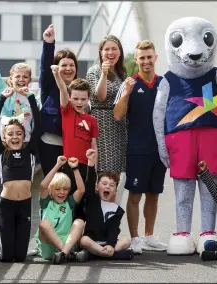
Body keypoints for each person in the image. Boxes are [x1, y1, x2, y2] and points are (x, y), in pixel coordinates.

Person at [0, 26, 38, 257]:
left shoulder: (31, 99)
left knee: (24, 194)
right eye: (17, 76)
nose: (20, 80)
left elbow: (35, 126)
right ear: (10, 78)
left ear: (29, 80)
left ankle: (22, 239)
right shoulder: (1, 90)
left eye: (25, 77)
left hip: (26, 156)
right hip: (3, 153)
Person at [113, 40, 167, 254]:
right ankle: (135, 238)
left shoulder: (164, 83)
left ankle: (149, 236)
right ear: (136, 60)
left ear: (156, 58)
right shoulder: (129, 84)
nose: (146, 61)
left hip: (159, 150)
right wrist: (126, 93)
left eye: (149, 57)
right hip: (137, 149)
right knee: (135, 195)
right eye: (141, 57)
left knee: (154, 194)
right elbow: (117, 115)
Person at [0, 87, 41, 262]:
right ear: (4, 137)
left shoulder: (30, 151)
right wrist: (2, 99)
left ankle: (12, 246)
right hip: (6, 206)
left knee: (20, 257)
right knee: (6, 257)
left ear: (24, 136)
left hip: (24, 205)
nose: (15, 137)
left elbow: (38, 125)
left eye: (19, 133)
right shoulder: (2, 152)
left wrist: (31, 97)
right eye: (10, 134)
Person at [51, 65, 99, 220]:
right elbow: (62, 90)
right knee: (69, 200)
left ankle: (82, 238)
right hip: (69, 166)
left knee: (85, 202)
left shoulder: (91, 120)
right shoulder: (67, 112)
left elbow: (94, 146)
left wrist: (95, 171)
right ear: (70, 98)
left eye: (83, 99)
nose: (79, 102)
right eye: (76, 99)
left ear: (89, 98)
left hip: (87, 167)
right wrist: (57, 75)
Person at [86, 35, 128, 205]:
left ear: (120, 52)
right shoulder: (93, 71)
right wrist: (104, 73)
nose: (110, 52)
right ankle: (96, 221)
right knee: (101, 178)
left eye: (114, 49)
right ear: (101, 52)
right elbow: (100, 96)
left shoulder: (122, 73)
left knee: (114, 180)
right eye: (107, 49)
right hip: (100, 126)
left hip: (118, 128)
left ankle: (111, 222)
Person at [75, 150, 133, 262]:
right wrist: (91, 162)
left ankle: (93, 255)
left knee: (126, 240)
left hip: (107, 242)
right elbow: (90, 182)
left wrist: (111, 244)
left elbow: (114, 229)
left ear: (115, 190)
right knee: (84, 240)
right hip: (92, 242)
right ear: (97, 187)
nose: (107, 187)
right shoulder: (93, 200)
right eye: (104, 184)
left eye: (111, 185)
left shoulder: (117, 210)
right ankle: (117, 255)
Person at [38, 24, 78, 177]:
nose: (68, 69)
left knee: (70, 187)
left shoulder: (80, 88)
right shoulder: (49, 85)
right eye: (64, 65)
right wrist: (48, 44)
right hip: (50, 144)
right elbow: (44, 68)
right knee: (52, 185)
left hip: (73, 146)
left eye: (72, 65)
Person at [35, 155, 86, 264]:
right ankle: (68, 253)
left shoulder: (69, 203)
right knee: (43, 224)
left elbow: (81, 190)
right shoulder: (46, 202)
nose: (62, 192)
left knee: (79, 222)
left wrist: (75, 169)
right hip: (48, 245)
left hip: (67, 241)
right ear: (50, 190)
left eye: (65, 189)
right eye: (57, 189)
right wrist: (58, 165)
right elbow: (43, 185)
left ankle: (62, 254)